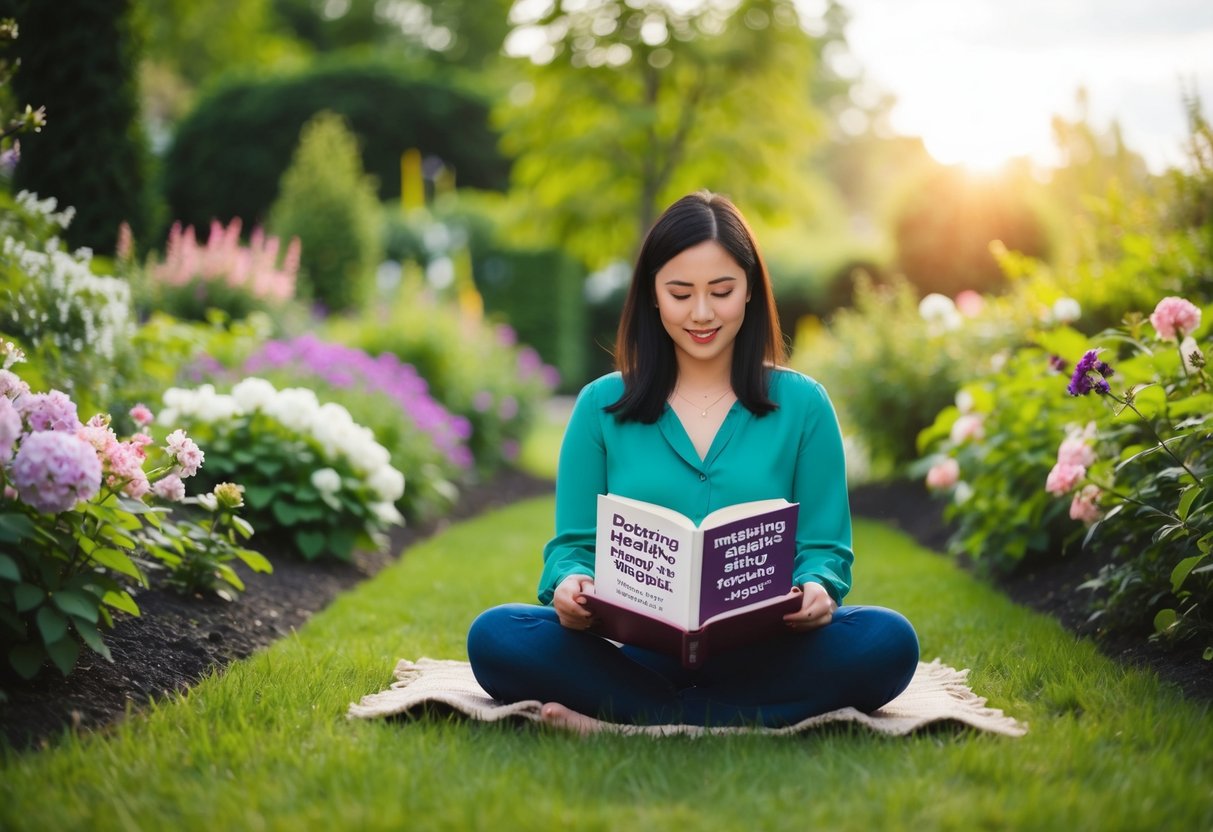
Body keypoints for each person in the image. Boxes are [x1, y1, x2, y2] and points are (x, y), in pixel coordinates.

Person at [467, 191, 919, 732]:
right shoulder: (600, 407)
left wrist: (818, 589)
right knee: (495, 635)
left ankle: (635, 720)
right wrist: (569, 585)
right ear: (652, 295)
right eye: (680, 293)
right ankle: (727, 718)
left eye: (721, 291)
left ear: (750, 290)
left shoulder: (804, 405)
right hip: (636, 657)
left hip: (772, 655)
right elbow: (572, 548)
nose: (701, 313)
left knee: (889, 640)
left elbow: (824, 550)